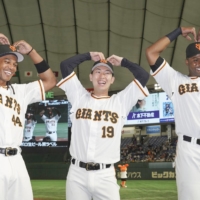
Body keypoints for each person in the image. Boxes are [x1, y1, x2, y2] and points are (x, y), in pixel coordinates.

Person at [57, 52, 149, 200]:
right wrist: (88, 56)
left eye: (107, 73)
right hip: (77, 174)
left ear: (112, 79)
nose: (102, 76)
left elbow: (143, 76)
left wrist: (124, 61)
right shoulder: (79, 96)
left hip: (105, 175)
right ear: (90, 77)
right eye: (97, 72)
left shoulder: (120, 101)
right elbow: (65, 65)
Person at [145, 26, 200, 200]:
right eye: (195, 59)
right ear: (187, 61)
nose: (199, 63)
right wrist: (178, 32)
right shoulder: (176, 81)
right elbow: (151, 53)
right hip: (189, 150)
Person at [0, 33, 56, 200]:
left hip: (17, 159)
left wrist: (31, 51)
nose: (11, 67)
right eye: (6, 61)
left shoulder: (20, 91)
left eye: (15, 64)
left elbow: (50, 80)